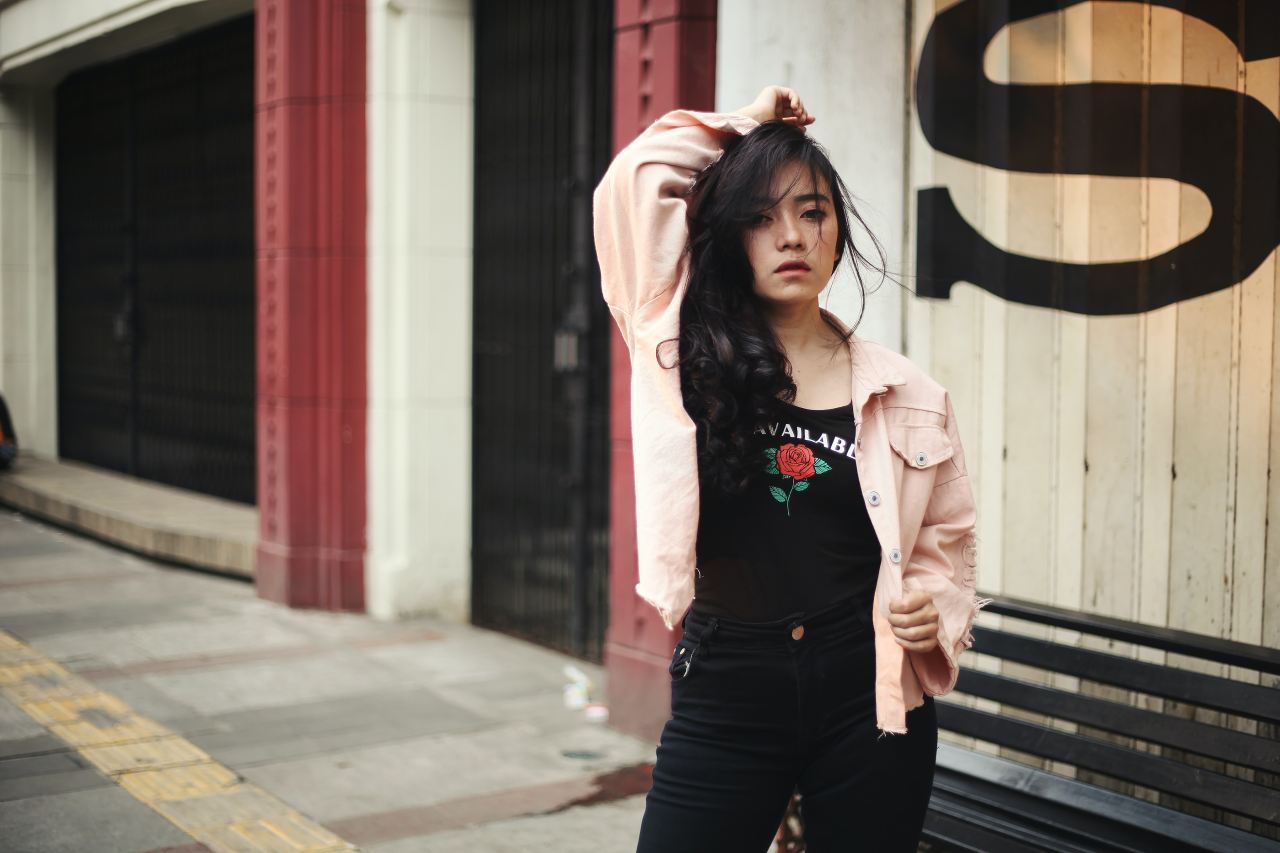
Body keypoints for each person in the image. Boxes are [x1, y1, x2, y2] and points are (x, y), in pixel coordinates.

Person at [593, 85, 987, 852]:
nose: (790, 236)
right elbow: (634, 179)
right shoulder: (681, 347)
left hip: (866, 692)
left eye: (810, 212)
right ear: (732, 236)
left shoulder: (909, 394)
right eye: (760, 217)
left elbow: (949, 545)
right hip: (728, 685)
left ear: (837, 232)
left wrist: (931, 609)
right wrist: (748, 126)